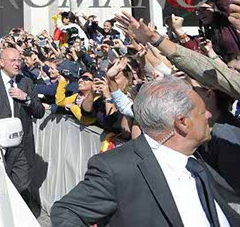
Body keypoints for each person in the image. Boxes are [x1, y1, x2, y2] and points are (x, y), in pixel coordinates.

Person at [50, 76, 238, 227]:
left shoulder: (195, 163)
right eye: (202, 112)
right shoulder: (117, 168)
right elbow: (67, 212)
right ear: (182, 123)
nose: (209, 115)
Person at [0, 48, 44, 196]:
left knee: (21, 188)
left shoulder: (26, 82)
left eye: (19, 60)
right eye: (13, 60)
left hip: (21, 145)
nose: (17, 64)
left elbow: (39, 112)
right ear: (2, 63)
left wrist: (26, 98)